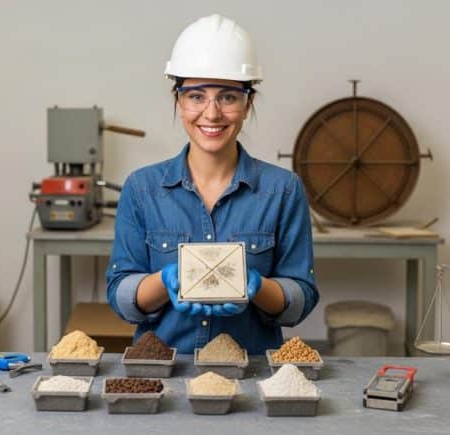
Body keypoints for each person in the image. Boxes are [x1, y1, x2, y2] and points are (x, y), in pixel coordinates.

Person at [106, 14, 318, 354]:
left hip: (252, 373)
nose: (212, 113)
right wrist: (165, 280)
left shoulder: (283, 190)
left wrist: (256, 287)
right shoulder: (142, 189)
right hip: (164, 372)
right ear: (178, 100)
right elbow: (120, 297)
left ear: (248, 103)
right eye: (196, 96)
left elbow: (301, 300)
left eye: (228, 97)